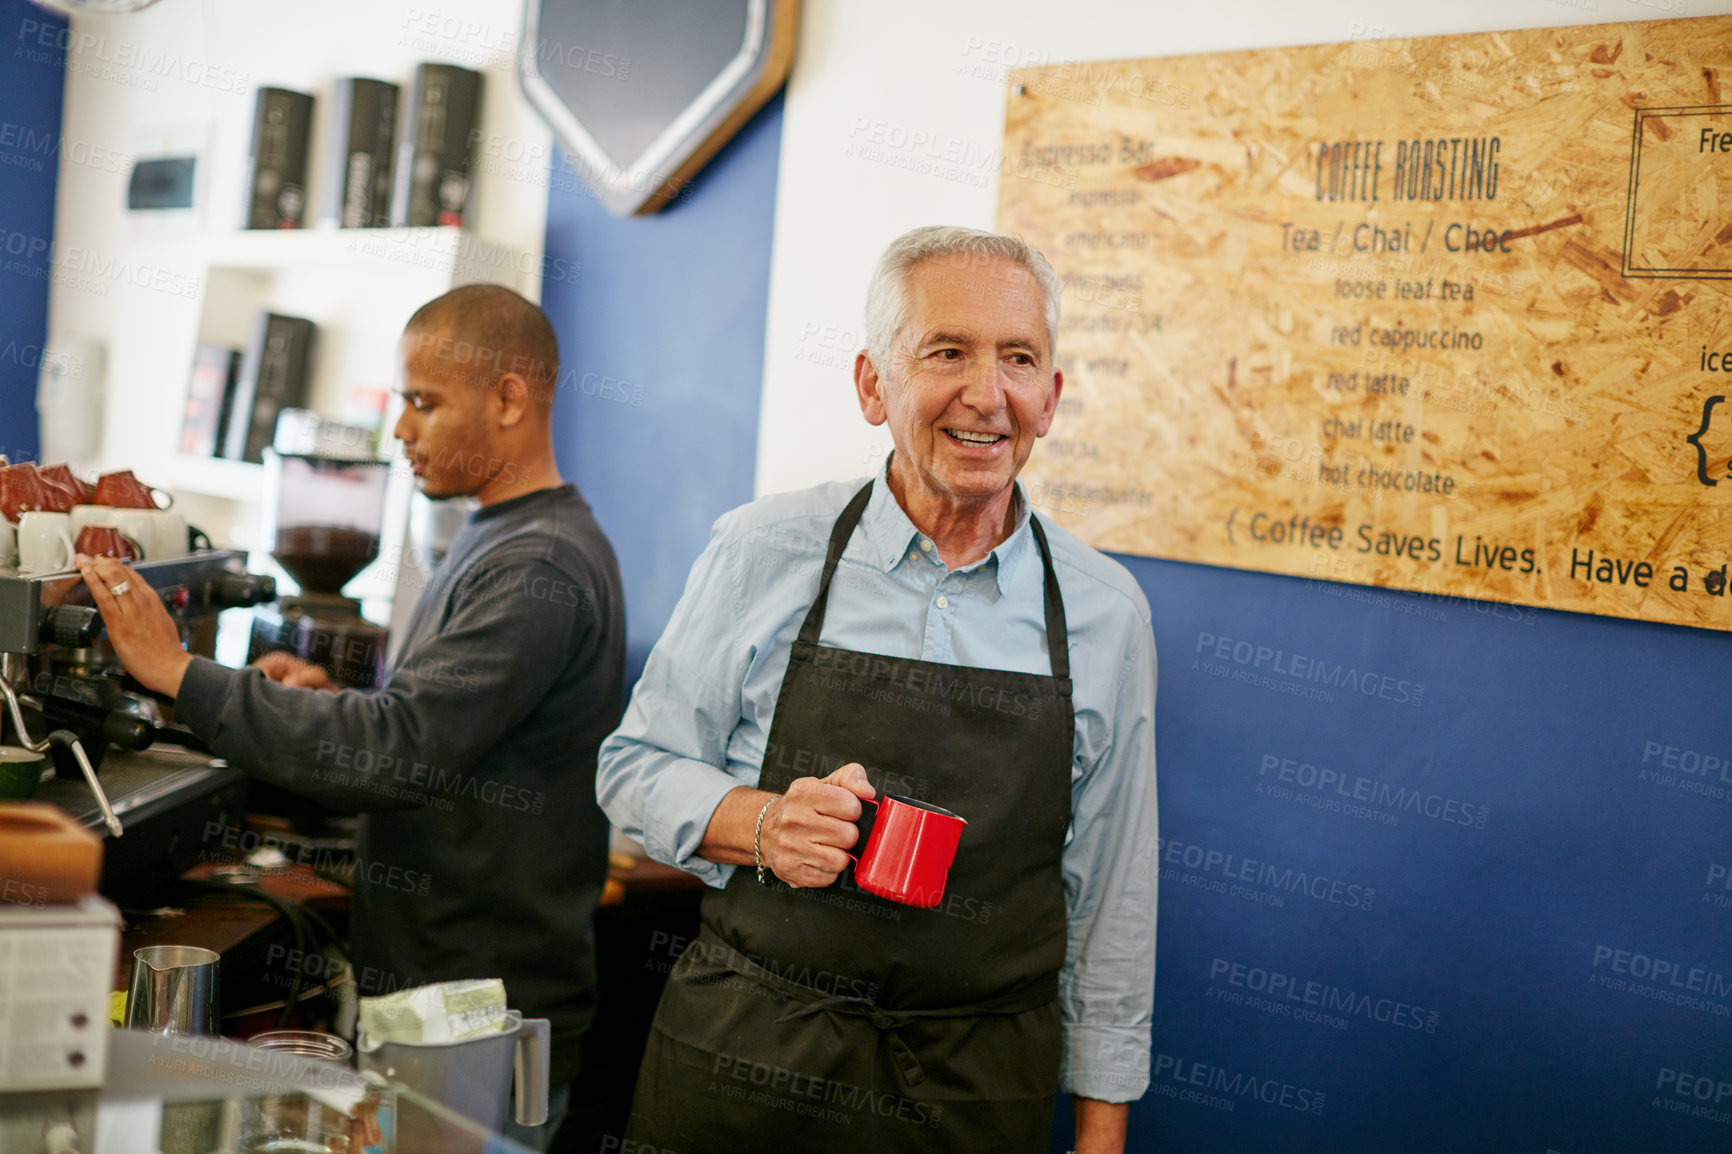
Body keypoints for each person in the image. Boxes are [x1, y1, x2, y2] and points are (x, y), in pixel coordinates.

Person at [596, 226, 1157, 1153]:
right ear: (870, 384)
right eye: (947, 352)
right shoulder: (762, 550)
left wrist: (1101, 1137)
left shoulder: (1106, 613)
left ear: (1051, 398)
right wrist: (762, 822)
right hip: (746, 1063)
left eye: (1019, 358)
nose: (987, 394)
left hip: (974, 1091)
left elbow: (1112, 898)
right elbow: (633, 765)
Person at [78, 284, 626, 1150]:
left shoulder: (540, 567)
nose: (401, 429)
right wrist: (329, 704)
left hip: (475, 1020)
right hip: (440, 1000)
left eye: (423, 401)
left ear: (510, 398)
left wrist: (179, 672)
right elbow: (441, 729)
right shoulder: (502, 533)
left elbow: (398, 754)